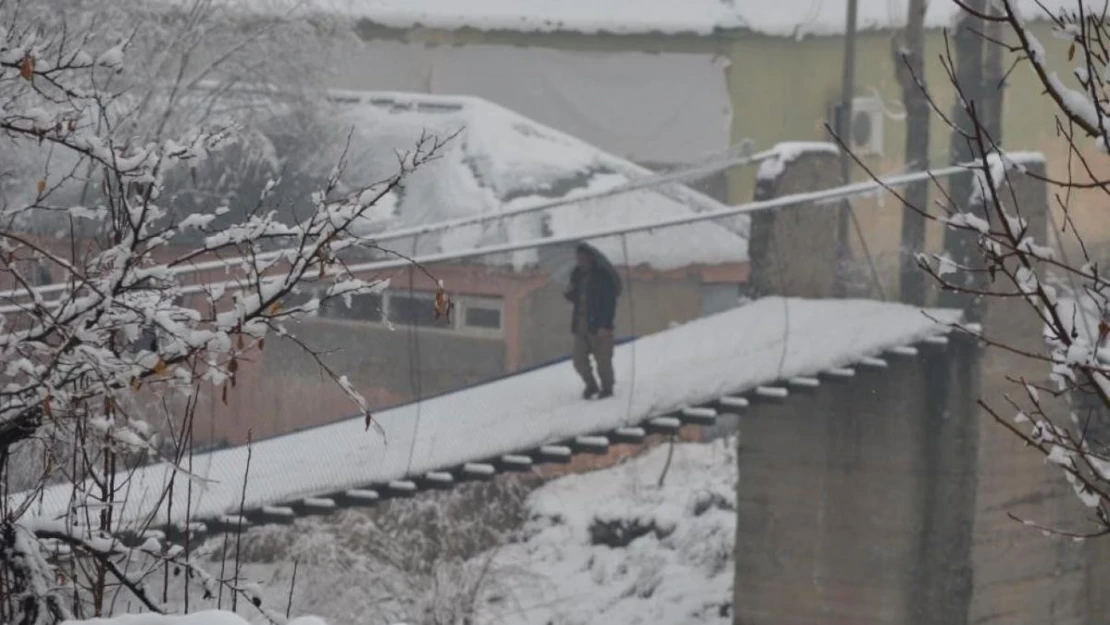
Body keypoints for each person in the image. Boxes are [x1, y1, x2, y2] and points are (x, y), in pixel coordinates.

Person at [564, 243, 622, 399]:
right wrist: (569, 292)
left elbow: (610, 303)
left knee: (603, 360)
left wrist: (605, 325)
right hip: (581, 322)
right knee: (578, 360)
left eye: (583, 258)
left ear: (591, 258)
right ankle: (591, 385)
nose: (580, 261)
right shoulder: (576, 274)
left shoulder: (603, 277)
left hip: (599, 324)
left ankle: (607, 387)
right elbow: (574, 297)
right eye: (578, 258)